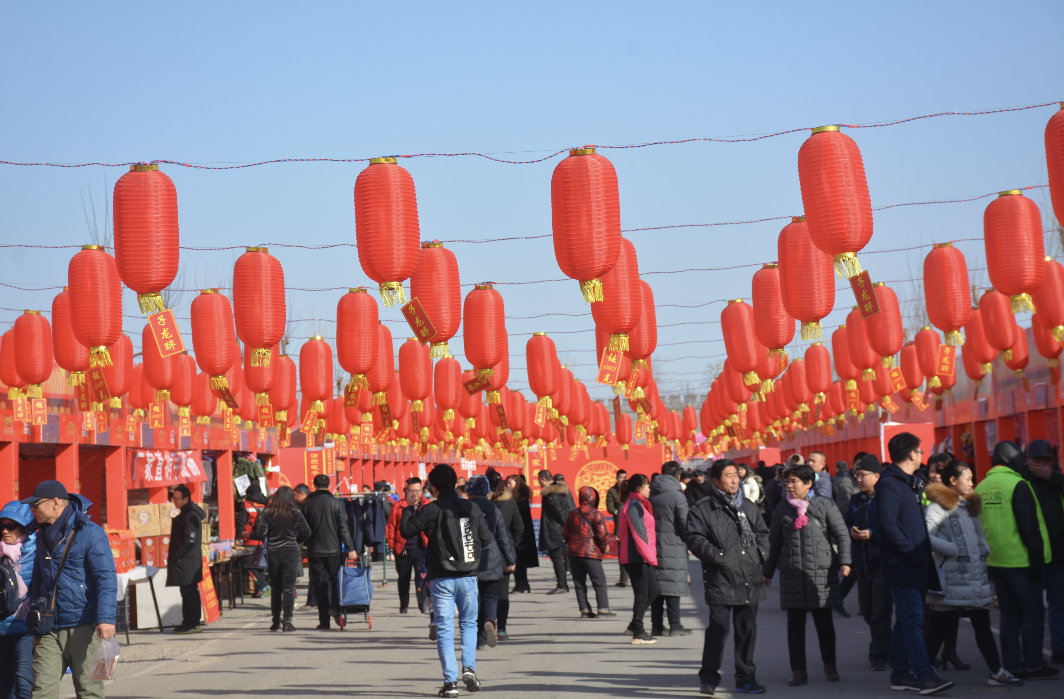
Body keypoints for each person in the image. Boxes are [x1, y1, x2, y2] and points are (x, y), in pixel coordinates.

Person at [925, 461, 1022, 687]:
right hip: (951, 578)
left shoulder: (968, 506)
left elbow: (978, 533)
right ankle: (925, 670)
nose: (972, 483)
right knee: (940, 626)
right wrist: (952, 549)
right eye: (968, 478)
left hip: (973, 577)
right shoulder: (937, 507)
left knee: (981, 625)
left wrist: (982, 548)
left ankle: (996, 671)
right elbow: (926, 536)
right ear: (952, 480)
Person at [401, 464, 494, 698]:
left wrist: (409, 508)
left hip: (441, 576)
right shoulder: (471, 507)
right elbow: (486, 537)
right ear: (455, 483)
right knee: (469, 624)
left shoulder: (431, 509)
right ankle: (470, 668)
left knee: (444, 628)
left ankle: (450, 682)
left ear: (432, 486)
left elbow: (406, 531)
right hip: (468, 576)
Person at [875, 432, 954, 694]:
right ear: (911, 454)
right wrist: (909, 548)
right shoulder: (890, 484)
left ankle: (900, 674)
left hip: (916, 562)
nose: (922, 456)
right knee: (913, 620)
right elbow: (888, 525)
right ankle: (923, 675)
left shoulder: (909, 482)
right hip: (903, 564)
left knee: (905, 621)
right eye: (920, 452)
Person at [22, 480, 117, 699]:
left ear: (55, 503)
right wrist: (35, 612)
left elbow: (106, 578)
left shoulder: (90, 533)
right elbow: (38, 578)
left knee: (89, 690)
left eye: (36, 504)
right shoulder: (40, 535)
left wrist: (106, 618)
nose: (32, 510)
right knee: (41, 691)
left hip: (83, 623)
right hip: (48, 625)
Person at [685, 459, 769, 696]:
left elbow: (763, 533)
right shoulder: (702, 509)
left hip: (749, 577)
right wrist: (720, 557)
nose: (734, 480)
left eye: (736, 475)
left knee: (746, 631)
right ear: (716, 481)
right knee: (718, 630)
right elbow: (695, 538)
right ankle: (709, 678)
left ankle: (745, 677)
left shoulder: (748, 507)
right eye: (729, 475)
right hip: (721, 578)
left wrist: (759, 555)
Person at [975, 440, 1058, 680]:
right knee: (1033, 614)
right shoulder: (1017, 484)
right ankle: (1033, 664)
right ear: (1012, 460)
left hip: (996, 562)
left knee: (1009, 617)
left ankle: (1012, 664)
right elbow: (1028, 527)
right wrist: (1038, 561)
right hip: (1021, 562)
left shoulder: (982, 486)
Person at [762, 463, 851, 686]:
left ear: (809, 483)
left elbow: (842, 534)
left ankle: (830, 666)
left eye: (794, 481)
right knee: (795, 626)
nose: (789, 486)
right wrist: (768, 571)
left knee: (824, 624)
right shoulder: (783, 509)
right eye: (787, 482)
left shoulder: (824, 505)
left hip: (820, 574)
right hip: (792, 573)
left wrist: (846, 562)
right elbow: (775, 543)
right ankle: (798, 670)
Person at [844, 454, 892, 671]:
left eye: (863, 475)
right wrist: (851, 531)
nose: (859, 479)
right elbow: (845, 524)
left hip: (882, 564)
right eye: (857, 475)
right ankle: (887, 646)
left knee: (881, 611)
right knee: (868, 611)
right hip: (861, 563)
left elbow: (891, 527)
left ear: (876, 476)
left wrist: (872, 533)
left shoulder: (887, 499)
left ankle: (879, 653)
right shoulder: (856, 501)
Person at [1025, 439, 1064, 664]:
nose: (1041, 465)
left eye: (1045, 460)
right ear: (1027, 460)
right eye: (1035, 460)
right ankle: (1032, 655)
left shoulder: (1057, 481)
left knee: (1058, 605)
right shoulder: (1021, 482)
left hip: (1058, 555)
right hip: (1033, 555)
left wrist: (1054, 478)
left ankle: (1059, 648)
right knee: (1032, 609)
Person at [465, 475, 515, 649]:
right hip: (492, 558)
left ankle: (477, 640)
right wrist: (510, 559)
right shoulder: (494, 509)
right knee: (491, 596)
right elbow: (503, 537)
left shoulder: (464, 509)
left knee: (474, 600)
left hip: (470, 559)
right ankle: (490, 622)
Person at [301, 474, 357, 630]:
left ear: (314, 485)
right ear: (329, 485)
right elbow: (343, 528)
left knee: (319, 585)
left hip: (315, 551)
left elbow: (302, 529)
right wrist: (351, 548)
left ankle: (324, 621)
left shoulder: (307, 504)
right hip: (334, 551)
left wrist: (303, 544)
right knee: (334, 581)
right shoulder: (336, 503)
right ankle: (336, 609)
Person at [252, 485, 311, 632]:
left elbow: (260, 533)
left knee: (276, 588)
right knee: (289, 589)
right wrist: (295, 541)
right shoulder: (295, 513)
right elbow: (307, 531)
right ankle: (287, 621)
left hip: (274, 553)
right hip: (291, 552)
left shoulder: (267, 513)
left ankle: (275, 621)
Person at [650, 461, 690, 637]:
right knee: (672, 584)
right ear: (678, 475)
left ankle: (656, 626)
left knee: (658, 586)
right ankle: (675, 625)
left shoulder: (652, 494)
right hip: (674, 543)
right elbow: (684, 523)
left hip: (654, 544)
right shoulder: (677, 496)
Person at [1, 500, 36, 699]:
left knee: (24, 683)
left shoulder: (36, 552)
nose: (5, 531)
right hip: (2, 626)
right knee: (5, 688)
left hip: (25, 629)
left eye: (11, 526)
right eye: (2, 526)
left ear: (24, 527)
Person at [618, 473, 657, 645]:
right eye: (647, 485)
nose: (649, 488)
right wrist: (650, 557)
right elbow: (639, 534)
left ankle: (635, 625)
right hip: (637, 556)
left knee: (653, 590)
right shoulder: (633, 506)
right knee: (642, 593)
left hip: (641, 555)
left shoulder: (638, 504)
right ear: (639, 488)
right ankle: (638, 632)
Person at [562, 486, 612, 619]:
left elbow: (566, 533)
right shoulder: (596, 513)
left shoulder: (573, 513)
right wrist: (603, 547)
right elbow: (601, 534)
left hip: (574, 552)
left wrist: (571, 542)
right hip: (591, 552)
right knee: (599, 581)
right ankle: (603, 609)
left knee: (579, 583)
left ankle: (584, 609)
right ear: (593, 497)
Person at [166, 484, 205, 634]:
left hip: (188, 562)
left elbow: (190, 539)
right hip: (185, 561)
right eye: (173, 498)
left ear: (186, 499)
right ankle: (187, 621)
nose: (174, 501)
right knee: (186, 592)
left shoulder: (191, 516)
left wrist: (178, 554)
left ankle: (193, 622)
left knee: (190, 592)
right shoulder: (185, 514)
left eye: (177, 499)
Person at [489, 473, 523, 639]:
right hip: (504, 554)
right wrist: (511, 545)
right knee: (503, 593)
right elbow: (519, 527)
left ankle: (487, 622)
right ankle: (501, 628)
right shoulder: (510, 502)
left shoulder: (479, 504)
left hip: (485, 554)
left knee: (485, 592)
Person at [386, 477, 427, 615]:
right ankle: (404, 605)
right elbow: (391, 526)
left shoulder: (426, 505)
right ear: (406, 491)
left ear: (421, 490)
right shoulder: (398, 506)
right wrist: (392, 545)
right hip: (402, 548)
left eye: (417, 490)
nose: (414, 494)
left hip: (421, 549)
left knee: (421, 578)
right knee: (403, 578)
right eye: (411, 491)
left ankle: (422, 605)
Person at [537, 470, 575, 594]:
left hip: (555, 529)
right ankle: (562, 583)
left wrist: (565, 525)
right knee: (560, 556)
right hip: (563, 528)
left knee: (556, 557)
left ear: (543, 479)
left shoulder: (551, 493)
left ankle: (562, 584)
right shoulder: (562, 489)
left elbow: (559, 511)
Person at [507, 475, 536, 594]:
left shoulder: (520, 500)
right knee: (517, 560)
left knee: (520, 561)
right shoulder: (515, 498)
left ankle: (522, 584)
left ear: (516, 484)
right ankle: (521, 584)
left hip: (521, 535)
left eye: (510, 483)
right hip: (520, 534)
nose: (507, 485)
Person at [606, 469, 629, 587]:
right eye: (621, 477)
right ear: (616, 478)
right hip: (620, 526)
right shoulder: (612, 491)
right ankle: (623, 579)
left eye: (625, 477)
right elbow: (610, 507)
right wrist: (618, 512)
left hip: (632, 525)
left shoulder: (630, 490)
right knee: (623, 554)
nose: (623, 480)